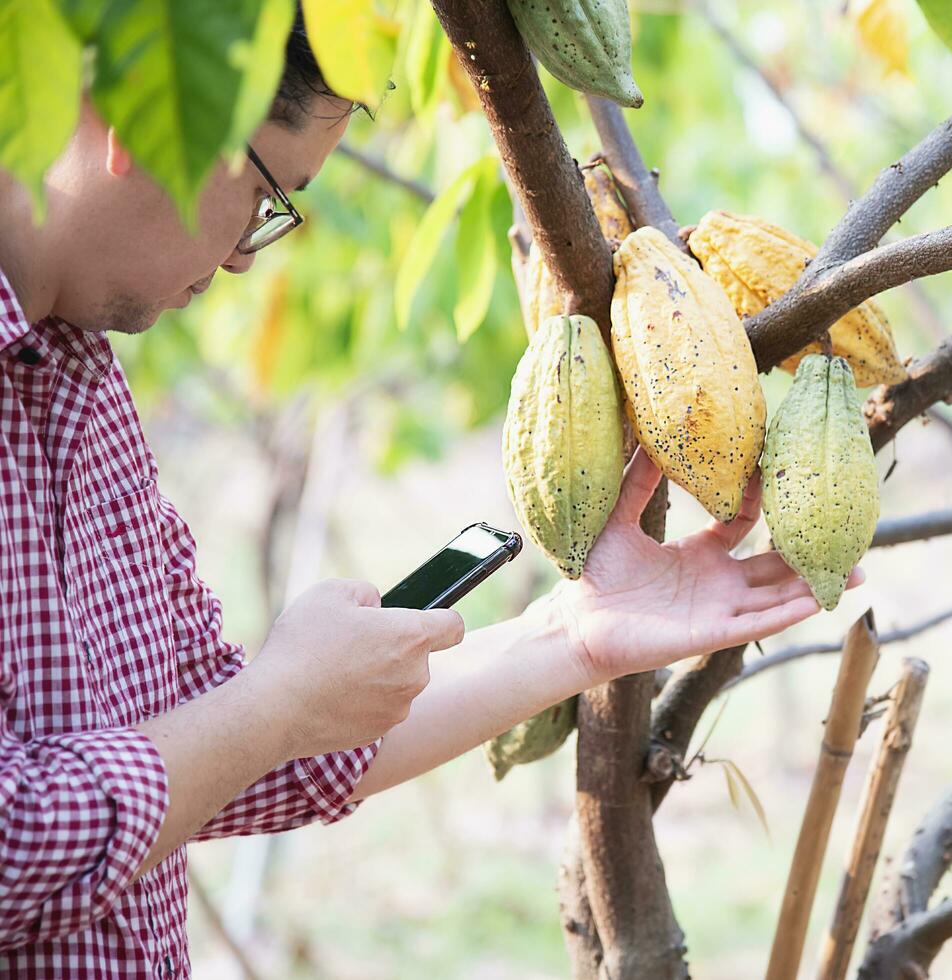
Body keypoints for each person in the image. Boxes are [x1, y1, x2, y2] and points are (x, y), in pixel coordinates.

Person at [0, 14, 856, 977]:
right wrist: (275, 704)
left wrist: (576, 633)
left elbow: (205, 751)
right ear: (152, 120)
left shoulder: (73, 371)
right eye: (265, 194)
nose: (247, 254)